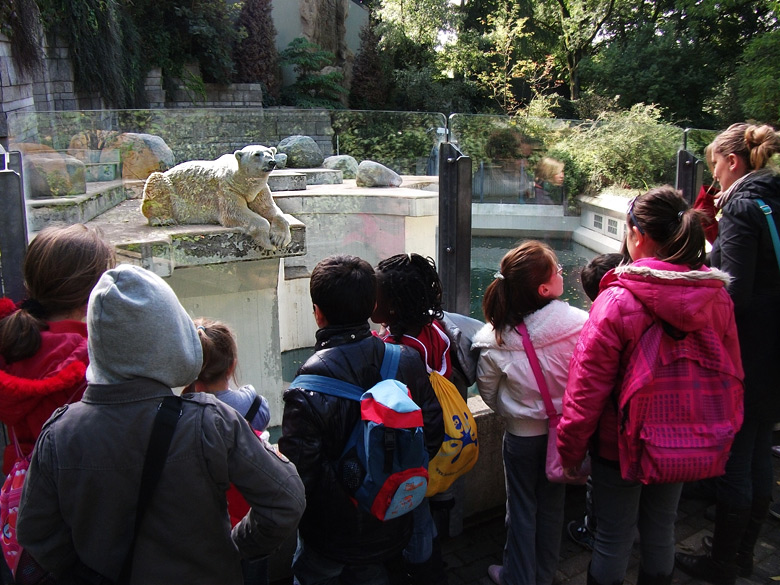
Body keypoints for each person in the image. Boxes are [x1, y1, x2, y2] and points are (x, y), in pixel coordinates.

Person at [16, 264, 305, 584]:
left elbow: (35, 532)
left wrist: (83, 572)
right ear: (168, 339)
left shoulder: (58, 435)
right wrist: (235, 546)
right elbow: (285, 501)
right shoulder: (209, 423)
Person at [557, 186, 743, 585]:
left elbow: (586, 389)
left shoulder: (618, 300)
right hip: (684, 437)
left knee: (612, 537)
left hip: (619, 443)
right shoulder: (716, 296)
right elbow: (733, 375)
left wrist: (570, 448)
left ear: (637, 235)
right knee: (662, 530)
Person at [279, 254, 444, 585]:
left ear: (318, 312)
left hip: (330, 539)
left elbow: (300, 476)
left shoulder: (305, 386)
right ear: (372, 306)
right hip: (390, 519)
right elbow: (432, 436)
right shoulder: (408, 361)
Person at [675, 123, 780, 584]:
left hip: (751, 354)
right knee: (758, 450)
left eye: (715, 164)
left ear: (732, 161)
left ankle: (722, 563)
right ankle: (742, 555)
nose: (713, 175)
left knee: (737, 458)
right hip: (776, 351)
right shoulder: (774, 197)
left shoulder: (740, 204)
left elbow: (731, 289)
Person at [471, 241, 589, 585]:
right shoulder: (579, 326)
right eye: (557, 271)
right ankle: (545, 572)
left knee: (521, 508)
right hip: (564, 435)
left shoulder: (496, 340)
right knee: (553, 507)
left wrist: (513, 413)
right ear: (544, 287)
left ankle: (517, 576)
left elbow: (488, 392)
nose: (561, 274)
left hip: (522, 438)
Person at [0, 224, 115, 476]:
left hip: (25, 495)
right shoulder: (95, 360)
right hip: (78, 494)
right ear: (95, 292)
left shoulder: (12, 343)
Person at [373, 253, 451, 585]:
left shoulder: (398, 348)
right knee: (424, 513)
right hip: (436, 439)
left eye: (374, 297)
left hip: (409, 449)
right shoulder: (434, 330)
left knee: (413, 514)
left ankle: (420, 570)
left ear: (391, 308)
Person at [186, 317, 272, 585]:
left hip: (203, 531)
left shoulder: (178, 417)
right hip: (248, 523)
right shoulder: (255, 407)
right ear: (232, 366)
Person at [566, 252, 626, 551]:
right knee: (661, 523)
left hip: (612, 435)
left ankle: (592, 530)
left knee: (610, 529)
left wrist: (571, 453)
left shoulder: (601, 323)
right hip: (666, 430)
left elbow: (585, 396)